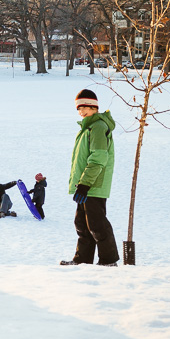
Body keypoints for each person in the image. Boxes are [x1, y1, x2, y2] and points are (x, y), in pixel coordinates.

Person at [61, 89, 119, 266]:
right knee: (82, 224)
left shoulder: (99, 127)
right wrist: (81, 184)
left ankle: (109, 261)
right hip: (85, 184)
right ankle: (82, 260)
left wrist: (85, 184)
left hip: (94, 184)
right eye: (79, 108)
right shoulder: (88, 128)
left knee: (96, 223)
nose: (82, 111)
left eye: (86, 107)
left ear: (95, 107)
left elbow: (98, 158)